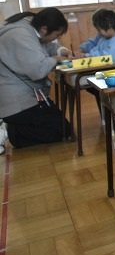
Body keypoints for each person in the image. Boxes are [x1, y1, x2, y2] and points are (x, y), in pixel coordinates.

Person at [0, 8, 72, 150]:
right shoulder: (21, 35)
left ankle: (13, 127)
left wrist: (60, 50)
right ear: (44, 29)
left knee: (62, 127)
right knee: (62, 131)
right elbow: (38, 70)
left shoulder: (28, 27)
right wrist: (56, 59)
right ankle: (8, 131)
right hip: (16, 101)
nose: (55, 39)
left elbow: (43, 46)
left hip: (24, 95)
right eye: (56, 35)